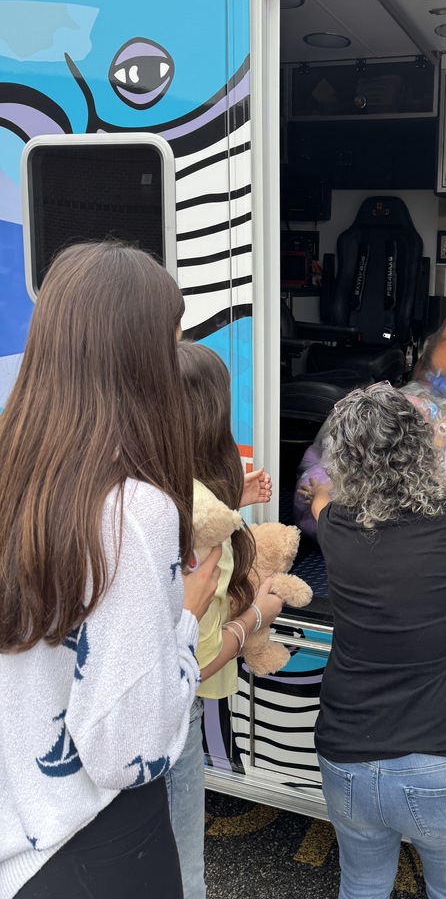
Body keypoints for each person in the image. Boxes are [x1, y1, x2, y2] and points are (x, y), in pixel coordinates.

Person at [0, 241, 223, 899]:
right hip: (95, 843)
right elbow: (127, 748)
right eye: (171, 343)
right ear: (140, 359)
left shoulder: (16, 477)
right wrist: (185, 618)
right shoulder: (133, 511)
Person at [301, 382, 446, 899]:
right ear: (421, 445)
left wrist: (321, 488)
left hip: (348, 758)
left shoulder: (337, 528)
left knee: (362, 884)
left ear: (344, 463)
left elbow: (322, 502)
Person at [166, 341, 283, 899]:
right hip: (170, 714)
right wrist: (256, 615)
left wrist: (233, 495)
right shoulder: (207, 525)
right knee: (184, 872)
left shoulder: (142, 486)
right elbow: (199, 656)